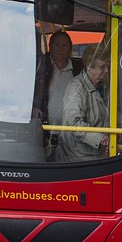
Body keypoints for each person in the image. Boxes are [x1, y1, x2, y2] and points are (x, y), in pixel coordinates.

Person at [54, 44, 112, 162]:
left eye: (108, 66)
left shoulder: (102, 86)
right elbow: (74, 123)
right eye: (102, 67)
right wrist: (99, 138)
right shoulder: (76, 88)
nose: (106, 71)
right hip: (77, 156)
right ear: (89, 66)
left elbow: (107, 110)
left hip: (94, 153)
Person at [32, 31, 84, 159]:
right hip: (45, 130)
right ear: (50, 46)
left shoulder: (79, 69)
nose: (61, 49)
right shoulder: (40, 66)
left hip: (72, 131)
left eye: (65, 45)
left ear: (70, 49)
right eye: (57, 45)